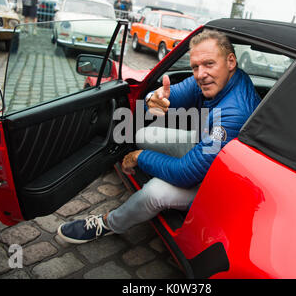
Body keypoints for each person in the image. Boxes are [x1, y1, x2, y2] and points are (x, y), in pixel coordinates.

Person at [57, 30, 261, 244]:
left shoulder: (234, 114)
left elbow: (185, 173)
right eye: (195, 67)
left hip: (217, 183)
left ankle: (108, 223)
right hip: (206, 146)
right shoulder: (219, 78)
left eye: (209, 64)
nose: (200, 74)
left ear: (230, 61)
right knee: (144, 133)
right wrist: (152, 98)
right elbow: (169, 94)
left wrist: (139, 157)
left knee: (153, 192)